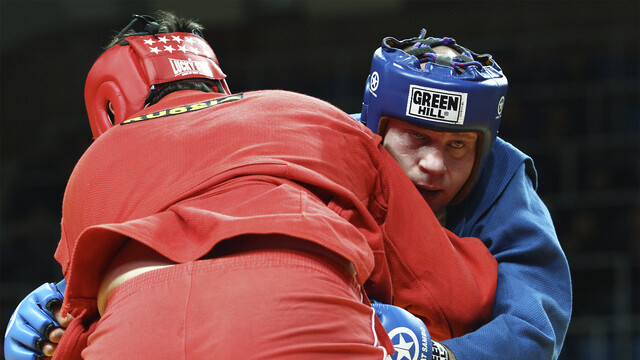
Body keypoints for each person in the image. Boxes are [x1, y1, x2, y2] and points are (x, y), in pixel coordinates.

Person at [4, 12, 499, 360]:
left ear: (110, 108)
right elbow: (449, 297)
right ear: (216, 79)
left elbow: (68, 335)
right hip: (304, 318)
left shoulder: (90, 168)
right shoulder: (306, 112)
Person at [356, 30, 573, 359]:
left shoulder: (500, 176)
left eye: (457, 145)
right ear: (378, 129)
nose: (433, 164)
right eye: (416, 137)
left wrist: (439, 356)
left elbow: (534, 328)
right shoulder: (336, 149)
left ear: (481, 150)